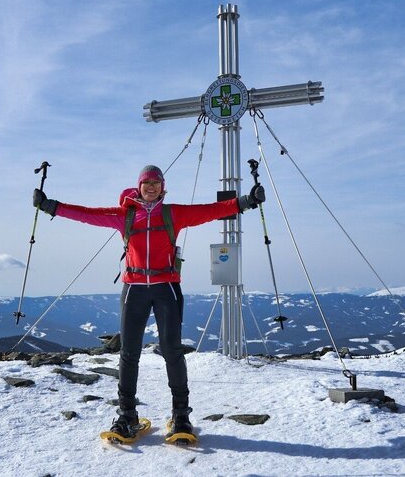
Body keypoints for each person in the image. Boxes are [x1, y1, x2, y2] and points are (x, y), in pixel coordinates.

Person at [32, 164, 265, 440]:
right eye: (147, 183)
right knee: (129, 353)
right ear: (139, 187)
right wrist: (51, 206)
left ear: (162, 187)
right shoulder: (125, 216)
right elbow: (87, 215)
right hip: (134, 290)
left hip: (166, 287)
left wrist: (246, 202)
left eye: (156, 182)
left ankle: (181, 417)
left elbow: (209, 211)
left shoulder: (173, 213)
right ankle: (126, 416)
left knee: (172, 351)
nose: (151, 187)